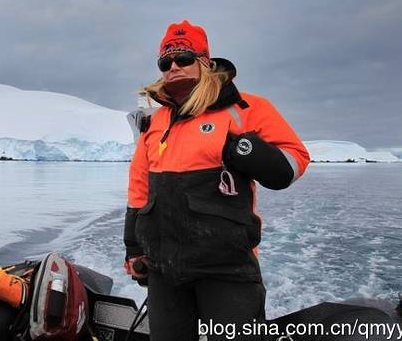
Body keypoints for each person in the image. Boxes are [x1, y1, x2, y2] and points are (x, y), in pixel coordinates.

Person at [123, 20, 311, 340]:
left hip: (227, 271)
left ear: (205, 63)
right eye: (165, 62)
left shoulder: (245, 108)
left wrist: (239, 147)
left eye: (183, 58)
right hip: (164, 271)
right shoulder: (155, 121)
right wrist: (134, 249)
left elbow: (293, 162)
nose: (173, 67)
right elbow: (140, 186)